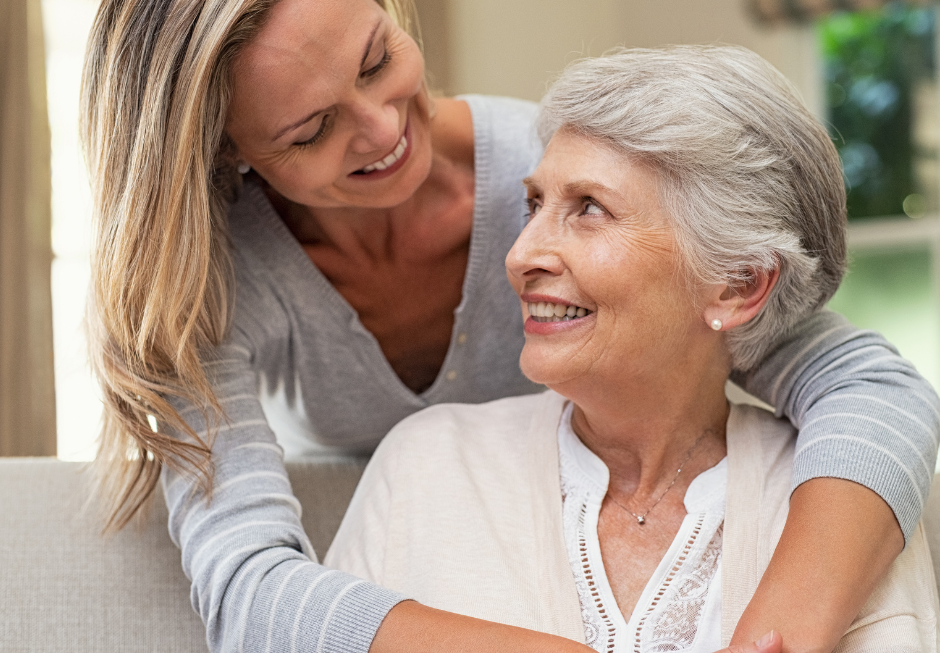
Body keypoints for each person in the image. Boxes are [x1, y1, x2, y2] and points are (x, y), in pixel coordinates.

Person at [80, 0, 938, 653]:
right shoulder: (206, 281)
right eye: (309, 131)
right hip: (381, 576)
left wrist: (778, 630)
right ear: (229, 153)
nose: (382, 130)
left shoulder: (554, 172)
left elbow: (863, 382)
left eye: (378, 61)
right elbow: (247, 594)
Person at [325, 46, 940, 652]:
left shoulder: (851, 506)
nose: (518, 256)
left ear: (739, 284)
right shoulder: (426, 465)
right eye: (533, 204)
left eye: (589, 209)